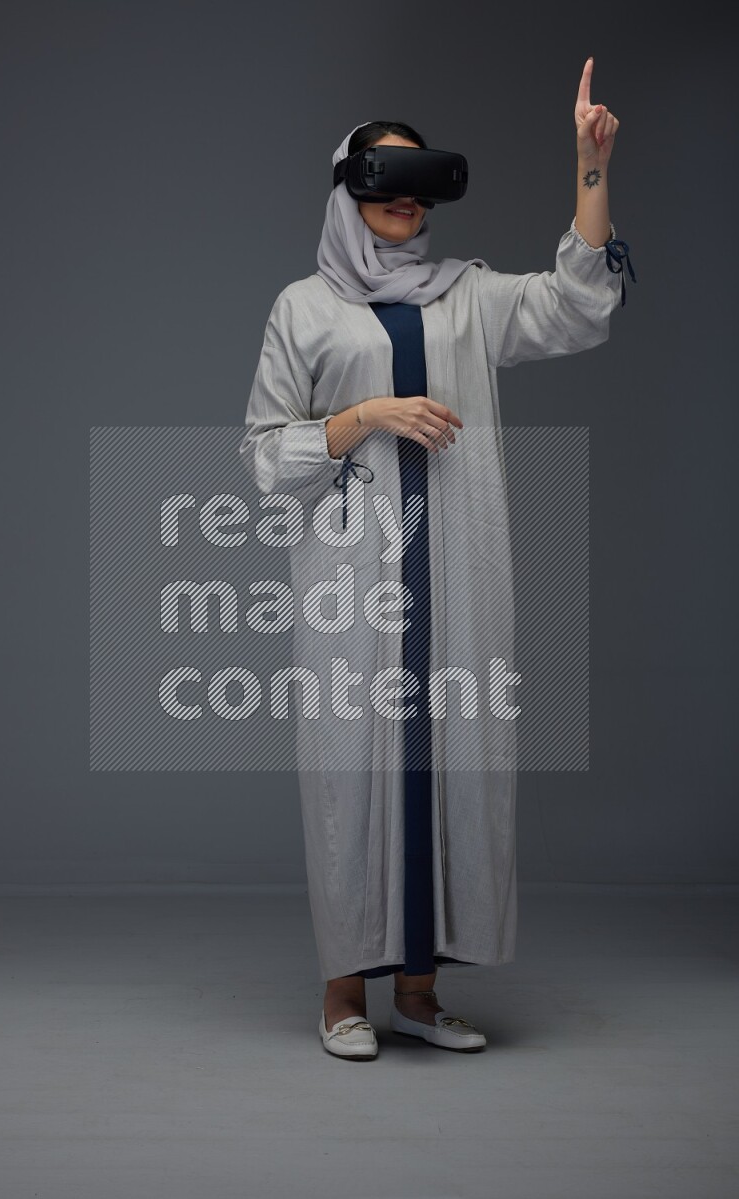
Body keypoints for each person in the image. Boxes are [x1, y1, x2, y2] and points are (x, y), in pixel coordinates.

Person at [239, 57, 634, 1061]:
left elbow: (573, 306)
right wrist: (364, 415)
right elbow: (260, 454)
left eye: (419, 179)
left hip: (455, 578)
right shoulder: (303, 309)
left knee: (450, 771)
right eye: (382, 176)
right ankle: (341, 993)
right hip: (350, 586)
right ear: (348, 188)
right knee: (349, 780)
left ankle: (416, 992)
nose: (403, 196)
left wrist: (590, 170)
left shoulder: (466, 297)